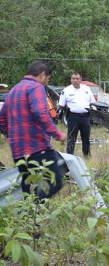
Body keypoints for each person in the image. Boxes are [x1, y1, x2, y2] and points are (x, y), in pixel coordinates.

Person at [0, 61, 67, 199]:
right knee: (55, 182)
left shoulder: (13, 90)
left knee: (27, 189)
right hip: (37, 147)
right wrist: (57, 134)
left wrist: (9, 135)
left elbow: (1, 119)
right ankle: (37, 207)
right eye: (47, 79)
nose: (46, 83)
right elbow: (40, 113)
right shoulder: (36, 87)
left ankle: (31, 217)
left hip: (18, 151)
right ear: (42, 75)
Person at [59, 72, 96, 157]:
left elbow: (92, 102)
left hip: (85, 117)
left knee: (86, 138)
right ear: (71, 80)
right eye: (73, 78)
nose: (75, 80)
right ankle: (69, 157)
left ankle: (87, 156)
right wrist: (68, 113)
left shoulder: (87, 89)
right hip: (73, 117)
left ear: (81, 80)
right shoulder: (66, 90)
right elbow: (61, 105)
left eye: (77, 78)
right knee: (71, 138)